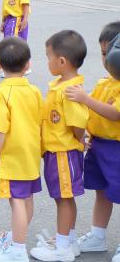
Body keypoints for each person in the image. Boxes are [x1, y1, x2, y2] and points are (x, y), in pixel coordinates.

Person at [28, 30, 88, 262]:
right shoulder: (61, 86)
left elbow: (77, 124)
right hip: (57, 152)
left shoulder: (69, 91)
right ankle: (69, 241)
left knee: (64, 199)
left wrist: (78, 141)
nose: (47, 61)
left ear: (61, 61)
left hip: (64, 152)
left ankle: (62, 247)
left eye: (48, 57)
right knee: (63, 197)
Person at [0, 37, 43, 262]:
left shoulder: (2, 93)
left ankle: (18, 249)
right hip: (31, 153)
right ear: (28, 65)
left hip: (13, 156)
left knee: (16, 200)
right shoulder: (34, 90)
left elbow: (0, 128)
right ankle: (15, 238)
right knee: (26, 198)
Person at [66, 22, 120, 261]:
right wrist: (85, 132)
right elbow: (94, 113)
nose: (107, 59)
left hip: (117, 148)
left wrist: (85, 99)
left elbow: (115, 113)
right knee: (102, 192)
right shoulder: (105, 82)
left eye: (111, 53)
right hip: (99, 145)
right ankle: (98, 236)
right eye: (103, 53)